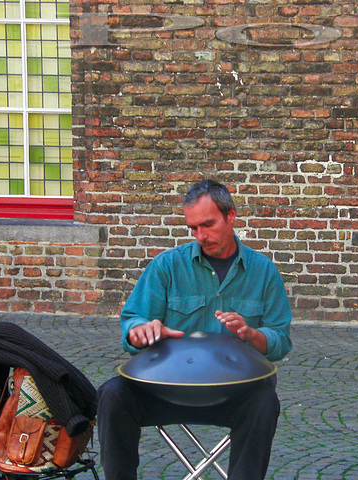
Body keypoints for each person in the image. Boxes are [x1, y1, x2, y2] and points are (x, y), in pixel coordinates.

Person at [97, 179, 292, 480]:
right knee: (113, 394)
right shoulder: (167, 267)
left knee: (265, 400)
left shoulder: (263, 271)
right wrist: (140, 331)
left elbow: (280, 340)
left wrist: (252, 335)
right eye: (193, 228)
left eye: (208, 225)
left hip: (232, 394)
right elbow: (132, 321)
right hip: (165, 390)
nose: (201, 236)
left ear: (231, 216)